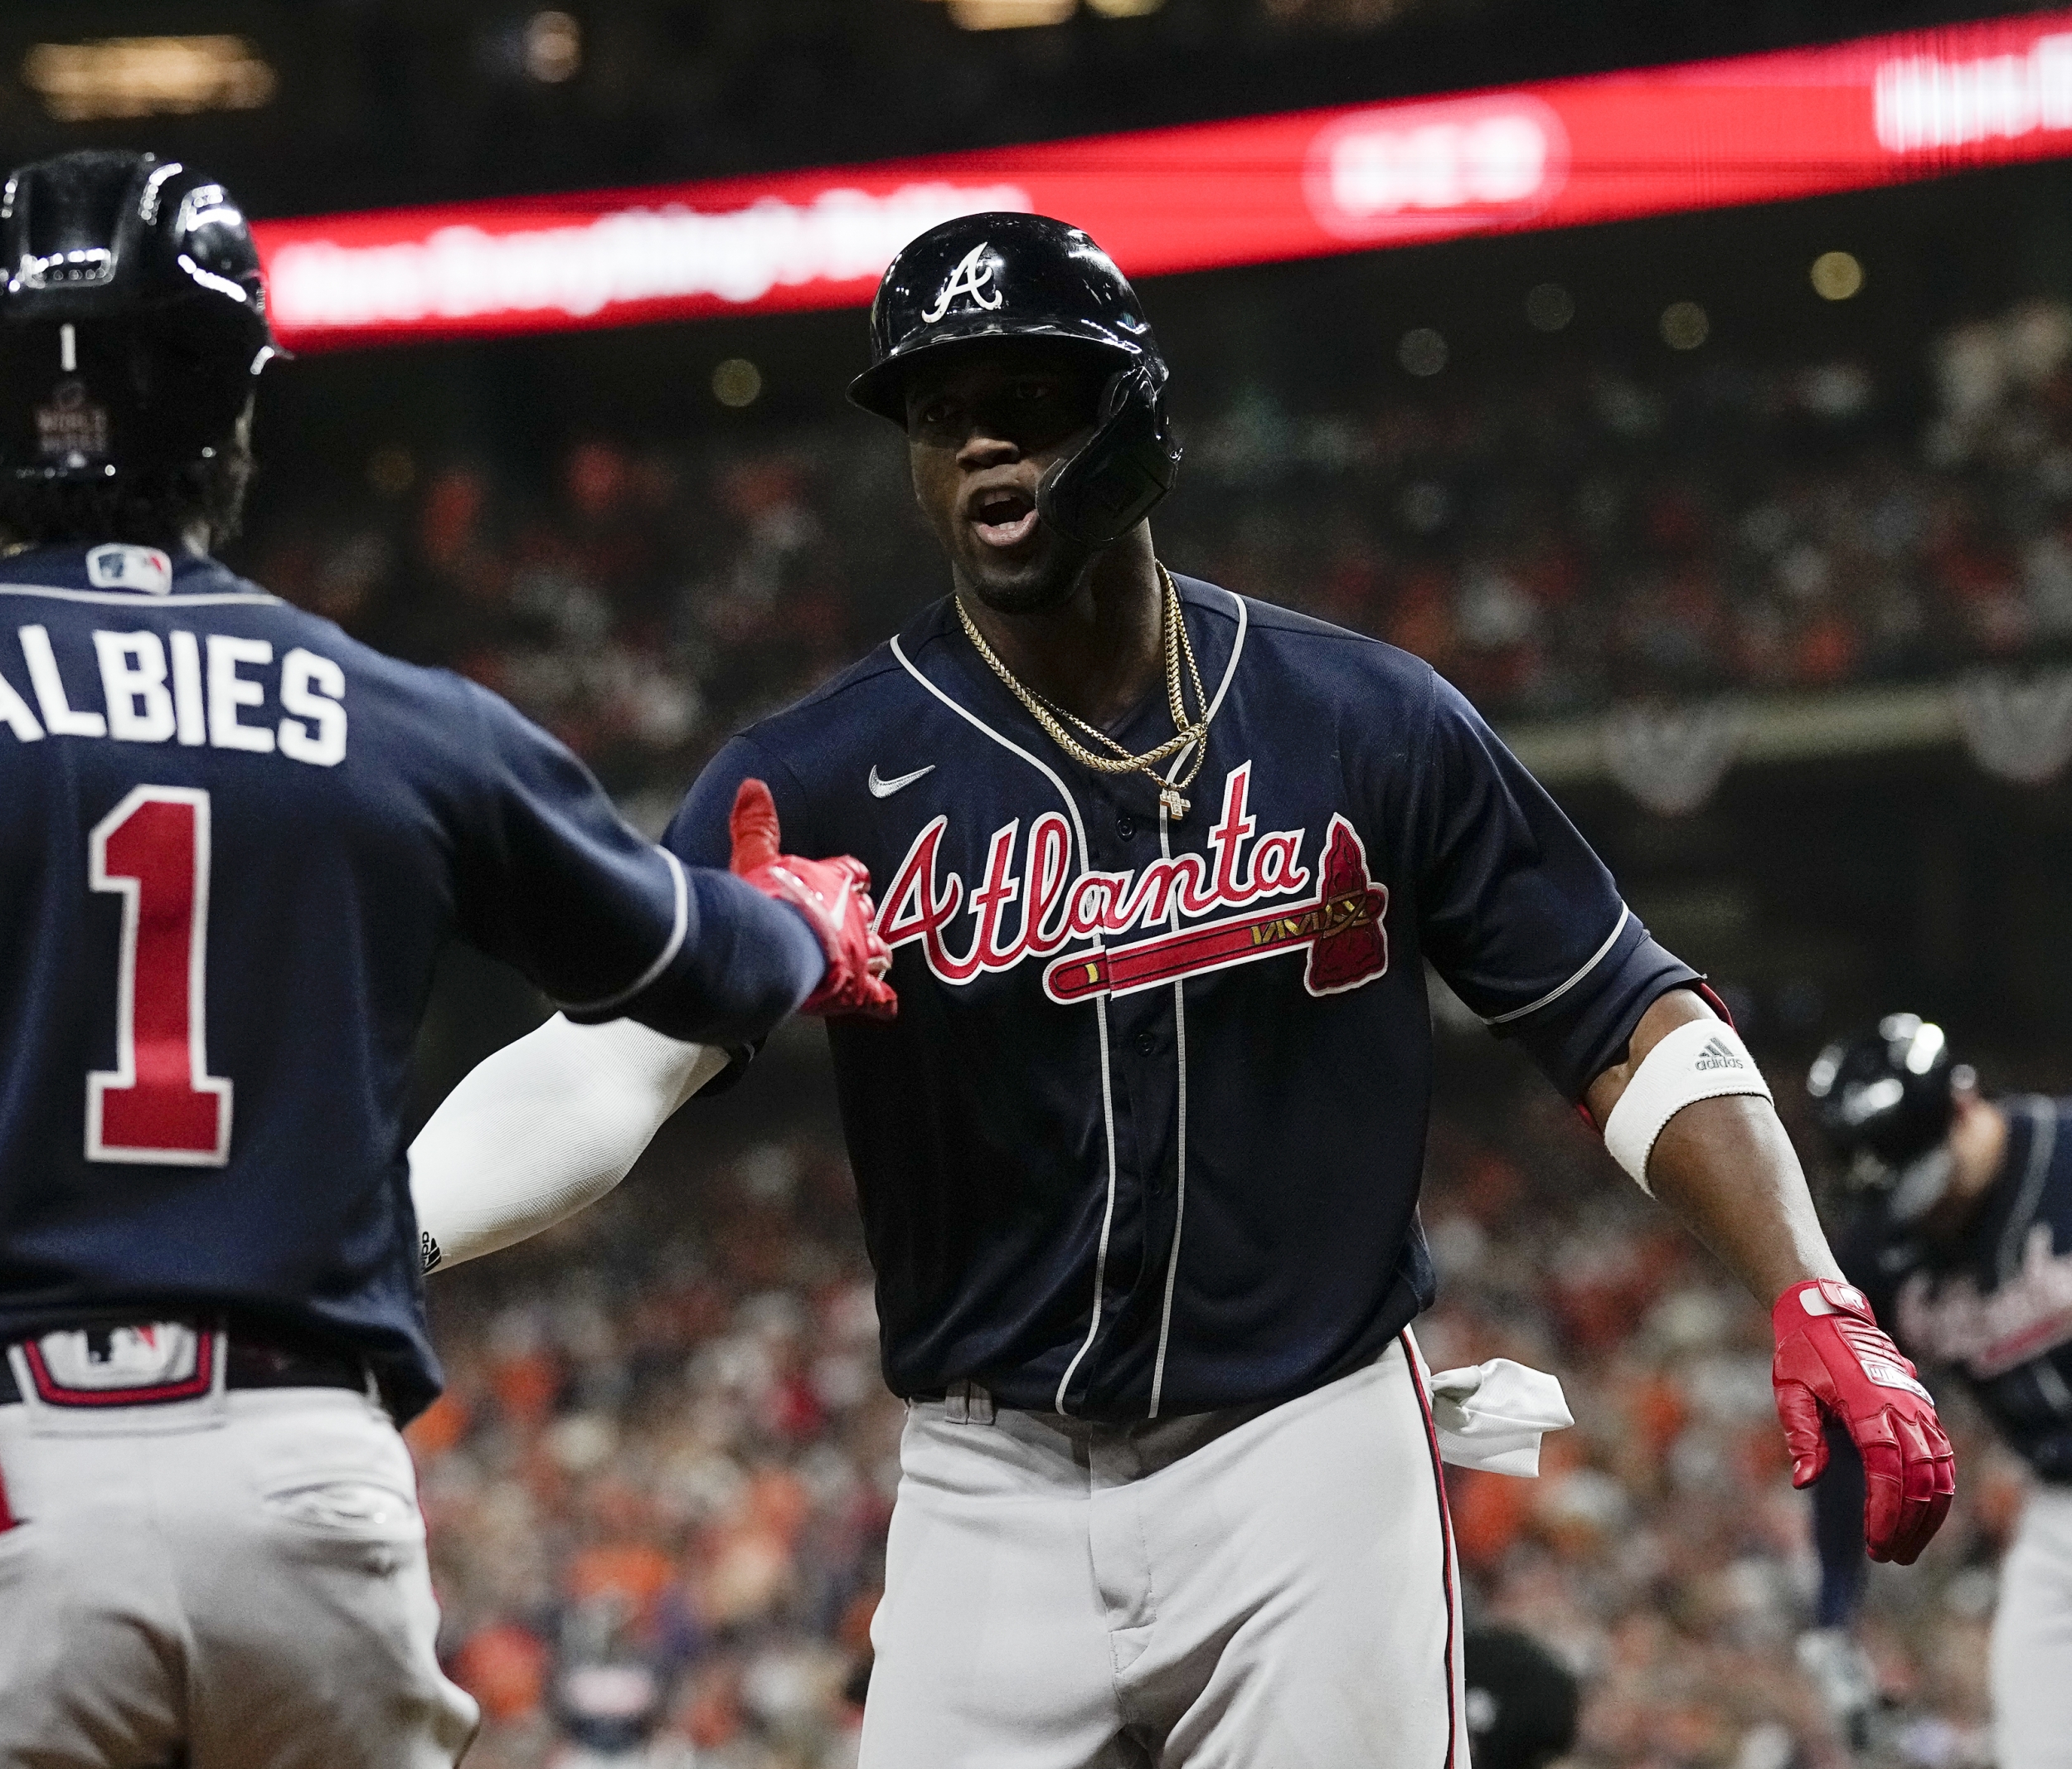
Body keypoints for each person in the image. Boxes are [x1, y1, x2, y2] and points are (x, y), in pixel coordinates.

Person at [406, 212, 1954, 1768]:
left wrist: (1806, 1276)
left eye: (1030, 394)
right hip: (986, 1477)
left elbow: (1622, 1015)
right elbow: (610, 1063)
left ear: (1138, 413)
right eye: (942, 413)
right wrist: (376, 1228)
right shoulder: (815, 780)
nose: (984, 441)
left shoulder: (1368, 719)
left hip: (1307, 1446)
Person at [0, 148, 892, 1769]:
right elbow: (695, 962)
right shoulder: (402, 716)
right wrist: (801, 923)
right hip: (306, 1486)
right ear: (229, 414)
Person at [1798, 1014, 2072, 1769]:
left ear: (1964, 1104)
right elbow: (1853, 1429)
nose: (1924, 1212)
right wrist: (1835, 1610)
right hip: (2055, 1508)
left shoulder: (2064, 1156)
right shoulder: (1887, 1250)